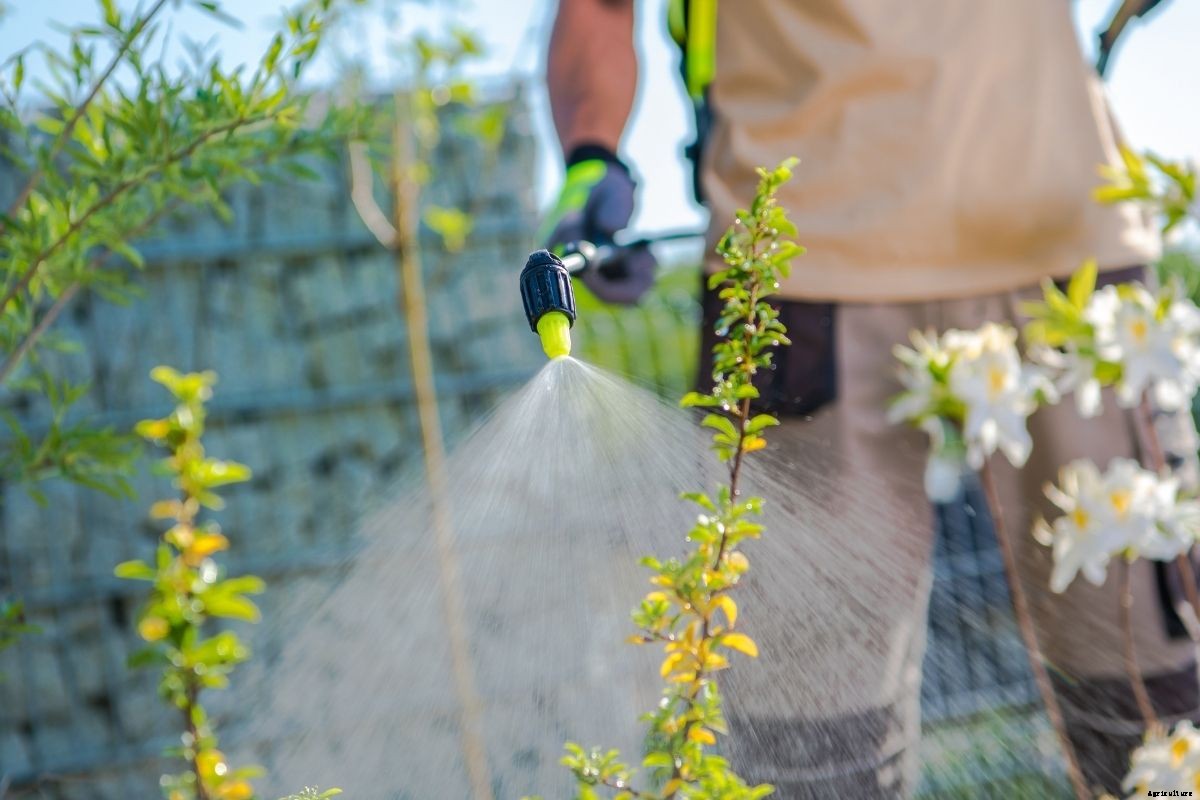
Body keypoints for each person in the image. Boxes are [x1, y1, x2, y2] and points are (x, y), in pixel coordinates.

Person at [541, 0, 1194, 797]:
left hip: (1063, 252)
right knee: (807, 751)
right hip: (792, 279)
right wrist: (590, 157)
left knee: (1157, 712)